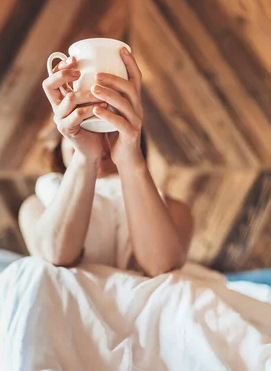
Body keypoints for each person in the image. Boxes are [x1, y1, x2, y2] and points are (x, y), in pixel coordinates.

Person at [19, 47, 193, 277]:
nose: (100, 139)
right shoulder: (37, 205)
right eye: (86, 123)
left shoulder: (174, 210)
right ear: (59, 145)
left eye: (108, 126)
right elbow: (56, 257)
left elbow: (162, 267)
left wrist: (129, 159)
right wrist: (85, 156)